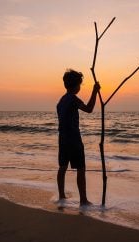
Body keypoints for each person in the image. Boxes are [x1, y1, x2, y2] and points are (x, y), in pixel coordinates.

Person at [56, 69, 100, 206]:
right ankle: (83, 200)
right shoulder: (73, 99)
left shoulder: (61, 101)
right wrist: (95, 91)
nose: (80, 87)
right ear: (76, 86)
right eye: (80, 84)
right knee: (81, 168)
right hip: (74, 139)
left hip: (63, 139)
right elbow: (89, 109)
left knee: (62, 167)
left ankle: (62, 196)